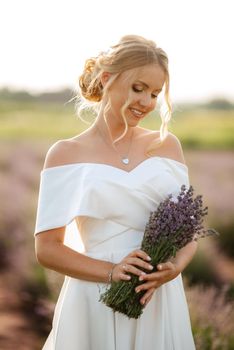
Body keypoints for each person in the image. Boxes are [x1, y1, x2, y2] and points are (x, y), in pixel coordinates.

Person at [34, 35, 197, 349]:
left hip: (157, 298)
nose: (147, 103)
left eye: (155, 93)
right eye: (138, 88)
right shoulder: (65, 154)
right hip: (93, 298)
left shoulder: (166, 146)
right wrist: (112, 271)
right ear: (106, 79)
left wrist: (173, 269)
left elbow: (188, 234)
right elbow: (47, 249)